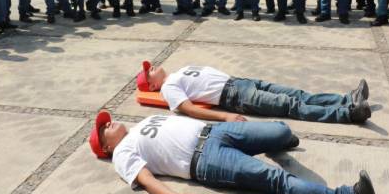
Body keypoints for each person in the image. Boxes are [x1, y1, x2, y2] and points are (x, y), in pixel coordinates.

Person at [88, 110, 377, 194]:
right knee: (274, 178)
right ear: (107, 147)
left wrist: (223, 119)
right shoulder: (122, 154)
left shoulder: (144, 122)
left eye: (106, 121)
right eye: (105, 129)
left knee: (281, 131)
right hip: (206, 160)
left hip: (215, 132)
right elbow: (148, 181)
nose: (110, 123)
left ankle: (275, 140)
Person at [138, 59, 373, 126]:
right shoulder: (168, 88)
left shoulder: (178, 72)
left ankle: (346, 99)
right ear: (151, 86)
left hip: (239, 83)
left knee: (297, 94)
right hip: (235, 97)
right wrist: (225, 117)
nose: (154, 67)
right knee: (291, 106)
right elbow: (189, 110)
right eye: (150, 72)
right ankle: (348, 114)